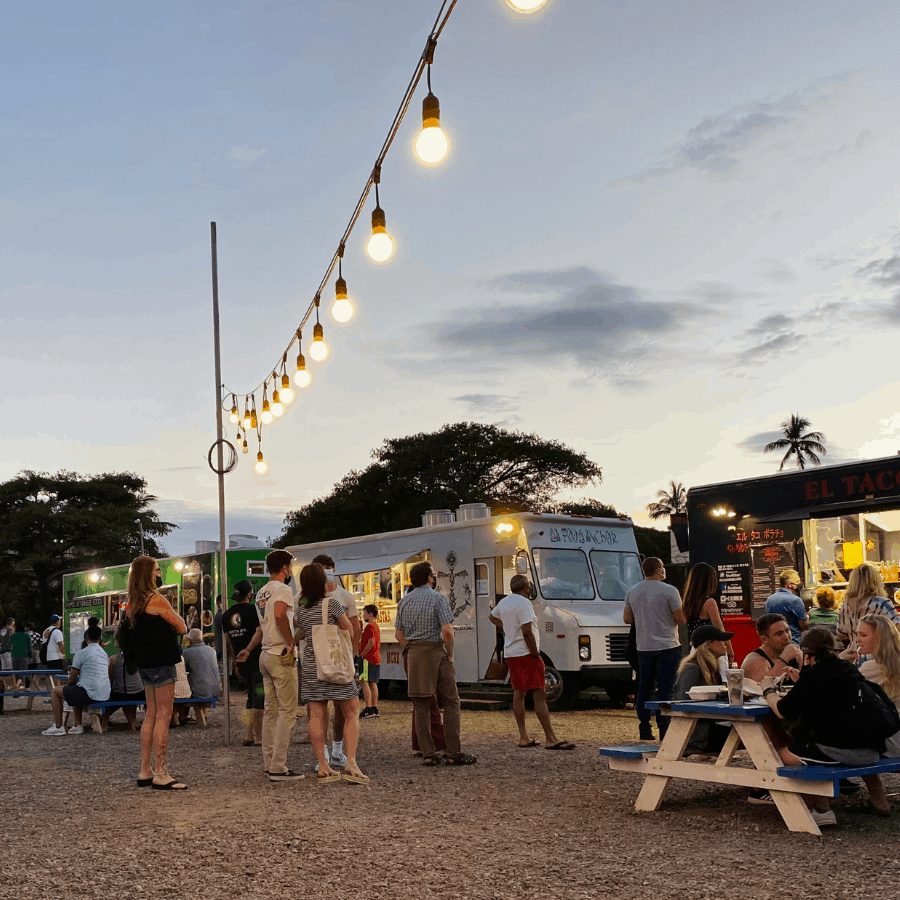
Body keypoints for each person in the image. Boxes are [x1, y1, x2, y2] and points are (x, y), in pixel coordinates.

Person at [760, 627, 898, 822]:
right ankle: (869, 801)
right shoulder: (849, 670)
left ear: (807, 655)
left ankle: (818, 808)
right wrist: (801, 680)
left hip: (842, 751)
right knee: (814, 745)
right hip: (871, 750)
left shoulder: (813, 677)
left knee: (782, 754)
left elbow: (782, 711)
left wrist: (768, 690)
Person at [395, 560, 476, 766]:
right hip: (435, 651)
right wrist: (449, 655)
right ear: (430, 578)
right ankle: (453, 751)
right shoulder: (438, 598)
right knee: (450, 701)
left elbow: (398, 634)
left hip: (414, 652)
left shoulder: (404, 601)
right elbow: (447, 631)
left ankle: (428, 753)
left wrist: (408, 649)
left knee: (421, 704)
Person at [293, 563, 367, 783]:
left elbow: (301, 632)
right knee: (352, 710)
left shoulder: (301, 610)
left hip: (312, 666)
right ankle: (350, 761)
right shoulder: (332, 604)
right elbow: (348, 628)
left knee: (317, 714)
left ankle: (323, 765)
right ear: (322, 582)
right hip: (335, 664)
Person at [125, 555, 188, 790]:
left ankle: (145, 770)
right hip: (162, 662)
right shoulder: (157, 600)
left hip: (144, 665)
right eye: (157, 570)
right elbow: (182, 626)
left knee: (150, 714)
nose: (159, 574)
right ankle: (161, 772)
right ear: (148, 574)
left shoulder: (133, 604)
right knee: (164, 713)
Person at [489, 574, 573, 750]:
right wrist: (535, 653)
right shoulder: (525, 603)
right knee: (539, 692)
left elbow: (492, 616)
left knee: (519, 692)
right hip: (526, 653)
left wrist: (507, 626)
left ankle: (523, 736)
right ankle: (550, 737)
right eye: (529, 586)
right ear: (525, 588)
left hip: (511, 653)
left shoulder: (504, 602)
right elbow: (527, 631)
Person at [623, 557, 686, 741]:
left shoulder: (632, 591)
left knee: (645, 687)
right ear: (659, 570)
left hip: (644, 646)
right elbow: (680, 618)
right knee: (666, 689)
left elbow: (627, 619)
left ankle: (644, 728)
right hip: (668, 645)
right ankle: (665, 730)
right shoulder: (670, 590)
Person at [256, 549, 303, 782]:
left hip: (265, 653)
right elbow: (279, 614)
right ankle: (279, 766)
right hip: (279, 652)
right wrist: (290, 642)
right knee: (288, 711)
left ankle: (269, 761)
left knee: (271, 711)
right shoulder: (283, 589)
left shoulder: (261, 591)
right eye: (290, 566)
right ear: (284, 568)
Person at [312, 554, 362, 768]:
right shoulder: (304, 597)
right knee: (318, 709)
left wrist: (354, 654)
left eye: (330, 567)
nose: (328, 571)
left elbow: (355, 626)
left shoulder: (344, 596)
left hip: (340, 659)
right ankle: (322, 757)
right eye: (323, 568)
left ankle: (337, 751)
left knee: (343, 709)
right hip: (315, 660)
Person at [672, 624, 734, 755]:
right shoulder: (692, 669)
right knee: (747, 733)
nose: (727, 645)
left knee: (755, 731)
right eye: (722, 641)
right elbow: (683, 703)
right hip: (697, 736)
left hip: (706, 729)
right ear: (710, 644)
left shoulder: (711, 668)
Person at [42, 625, 111, 736]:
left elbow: (72, 678)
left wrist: (68, 687)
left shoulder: (82, 653)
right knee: (77, 689)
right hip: (105, 692)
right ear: (100, 639)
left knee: (56, 691)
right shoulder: (103, 653)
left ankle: (59, 726)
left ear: (86, 638)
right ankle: (77, 725)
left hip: (90, 693)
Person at [225, 579, 265, 746]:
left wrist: (235, 661)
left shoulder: (227, 614)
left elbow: (228, 641)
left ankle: (249, 734)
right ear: (250, 594)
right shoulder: (254, 610)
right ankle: (259, 736)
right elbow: (259, 631)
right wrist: (248, 649)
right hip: (256, 659)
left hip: (241, 661)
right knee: (260, 695)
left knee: (250, 695)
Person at [857, 614, 900, 759]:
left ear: (879, 638)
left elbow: (844, 691)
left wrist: (842, 660)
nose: (857, 640)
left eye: (863, 635)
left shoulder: (870, 667)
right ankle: (873, 783)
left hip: (892, 738)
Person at [837, 563, 900, 659]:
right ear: (876, 581)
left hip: (852, 656)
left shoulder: (845, 607)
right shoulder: (882, 603)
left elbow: (841, 635)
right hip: (878, 657)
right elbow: (896, 629)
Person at [681, 562, 734, 666]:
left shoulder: (687, 603)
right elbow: (719, 629)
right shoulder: (709, 602)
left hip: (695, 649)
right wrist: (730, 650)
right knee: (721, 680)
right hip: (713, 649)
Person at [741, 614, 803, 683]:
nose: (786, 637)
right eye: (779, 634)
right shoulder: (754, 661)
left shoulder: (796, 654)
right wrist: (784, 659)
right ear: (764, 639)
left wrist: (801, 663)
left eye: (787, 630)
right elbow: (763, 687)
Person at [100, 644, 145, 733]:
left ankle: (104, 725)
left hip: (121, 694)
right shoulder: (140, 657)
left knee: (109, 696)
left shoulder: (113, 659)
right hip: (139, 693)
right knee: (132, 692)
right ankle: (132, 722)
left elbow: (111, 679)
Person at [181, 628, 222, 723]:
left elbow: (183, 670)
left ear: (190, 640)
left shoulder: (187, 652)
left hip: (201, 693)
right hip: (216, 690)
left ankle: (181, 716)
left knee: (184, 684)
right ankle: (203, 715)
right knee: (200, 677)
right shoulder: (212, 650)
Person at [764, 569, 808, 644]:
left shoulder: (769, 599)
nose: (800, 583)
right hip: (793, 642)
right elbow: (804, 626)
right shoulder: (796, 600)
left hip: (775, 644)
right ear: (790, 585)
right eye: (797, 582)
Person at [359, 604, 382, 719]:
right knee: (373, 683)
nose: (363, 615)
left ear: (370, 614)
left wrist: (362, 655)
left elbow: (371, 642)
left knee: (364, 681)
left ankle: (368, 707)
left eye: (364, 613)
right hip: (376, 658)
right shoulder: (376, 626)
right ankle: (374, 706)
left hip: (368, 658)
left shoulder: (369, 627)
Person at [11, 622, 32, 688]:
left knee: (16, 672)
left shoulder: (14, 635)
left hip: (14, 655)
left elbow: (8, 645)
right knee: (22, 673)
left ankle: (17, 690)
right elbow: (29, 647)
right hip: (24, 656)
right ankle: (17, 686)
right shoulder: (26, 635)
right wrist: (30, 655)